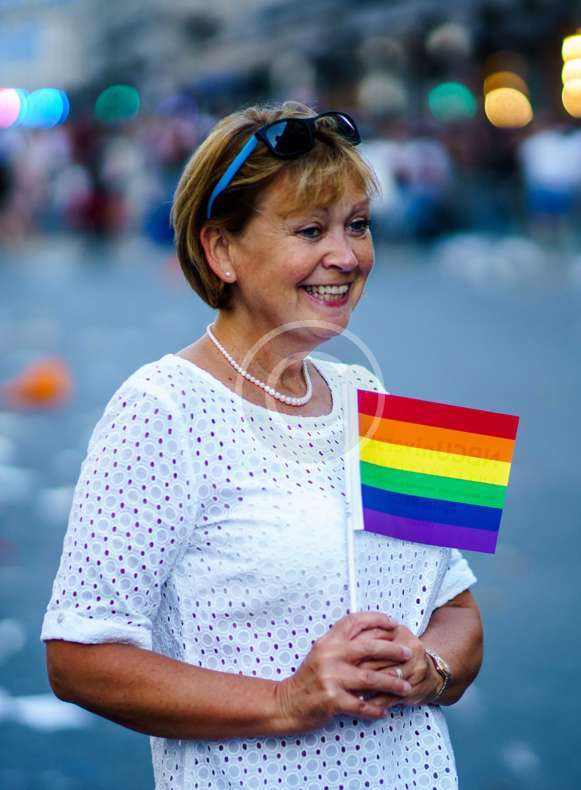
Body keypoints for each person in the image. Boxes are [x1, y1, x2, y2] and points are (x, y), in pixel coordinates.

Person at [41, 100, 482, 789]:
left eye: (358, 224)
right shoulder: (159, 408)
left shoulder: (374, 393)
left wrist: (431, 667)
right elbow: (77, 657)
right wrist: (286, 700)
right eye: (310, 229)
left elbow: (459, 610)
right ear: (221, 250)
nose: (347, 256)